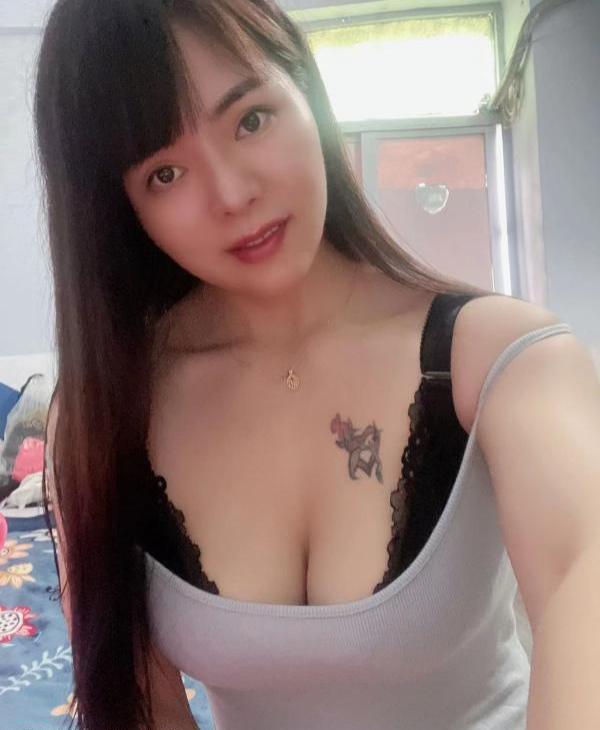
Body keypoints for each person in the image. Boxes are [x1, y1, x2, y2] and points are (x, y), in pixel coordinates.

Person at [36, 2, 598, 730]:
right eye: (165, 172)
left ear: (307, 92)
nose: (233, 194)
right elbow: (141, 706)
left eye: (251, 120)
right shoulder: (105, 416)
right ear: (119, 208)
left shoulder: (502, 360)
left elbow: (581, 573)